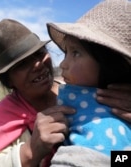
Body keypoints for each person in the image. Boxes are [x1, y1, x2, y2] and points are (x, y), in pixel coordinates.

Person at [0, 18, 131, 167]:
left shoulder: (81, 87)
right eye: (22, 64)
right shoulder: (7, 112)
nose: (38, 64)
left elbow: (116, 159)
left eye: (39, 53)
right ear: (9, 80)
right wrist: (31, 150)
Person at [46, 0, 131, 166]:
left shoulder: (102, 130)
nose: (63, 64)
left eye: (76, 53)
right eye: (66, 53)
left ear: (108, 63)